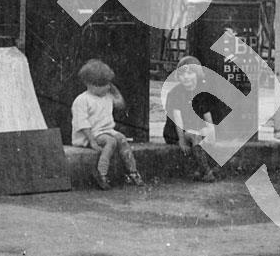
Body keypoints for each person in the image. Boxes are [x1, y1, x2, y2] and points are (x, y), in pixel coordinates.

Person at [70, 58, 145, 189]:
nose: (106, 87)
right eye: (101, 84)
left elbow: (121, 104)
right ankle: (101, 172)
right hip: (90, 134)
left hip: (106, 131)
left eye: (108, 83)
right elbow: (82, 123)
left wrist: (114, 90)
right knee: (111, 142)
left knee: (121, 139)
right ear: (89, 84)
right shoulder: (82, 100)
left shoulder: (107, 96)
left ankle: (132, 171)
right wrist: (92, 141)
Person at [161, 55, 220, 183]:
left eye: (190, 73)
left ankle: (199, 171)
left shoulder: (202, 93)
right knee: (195, 137)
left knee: (207, 135)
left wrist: (212, 136)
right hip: (176, 132)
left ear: (198, 74)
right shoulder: (175, 93)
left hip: (194, 128)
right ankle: (207, 172)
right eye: (182, 74)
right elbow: (177, 120)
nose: (186, 77)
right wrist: (181, 140)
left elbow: (208, 118)